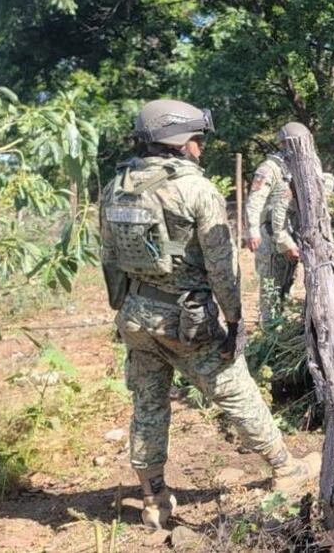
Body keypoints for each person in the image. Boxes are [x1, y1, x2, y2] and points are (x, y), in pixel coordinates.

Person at [100, 100, 319, 530]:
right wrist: (235, 321)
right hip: (186, 320)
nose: (201, 148)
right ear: (179, 142)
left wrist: (124, 307)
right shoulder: (195, 190)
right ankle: (286, 467)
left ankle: (153, 497)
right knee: (234, 389)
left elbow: (108, 255)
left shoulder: (117, 186)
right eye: (197, 139)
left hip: (134, 315)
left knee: (147, 404)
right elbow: (223, 266)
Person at [244, 125, 303, 330]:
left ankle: (282, 328)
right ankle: (269, 332)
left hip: (289, 233)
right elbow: (255, 200)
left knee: (288, 283)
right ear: (283, 144)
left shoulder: (297, 167)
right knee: (271, 287)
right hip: (269, 235)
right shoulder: (269, 168)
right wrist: (252, 230)